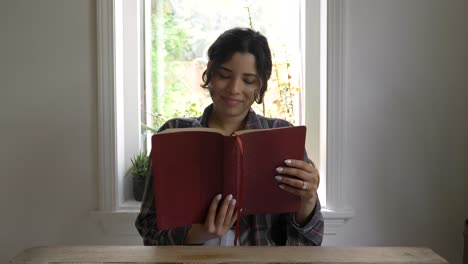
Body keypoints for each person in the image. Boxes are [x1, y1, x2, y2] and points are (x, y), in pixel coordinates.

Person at [135, 27, 323, 246]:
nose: (234, 88)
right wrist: (195, 234)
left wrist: (308, 200)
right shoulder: (173, 133)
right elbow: (148, 227)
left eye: (249, 80)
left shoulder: (281, 137)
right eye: (224, 75)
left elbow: (308, 243)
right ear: (210, 74)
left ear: (260, 85)